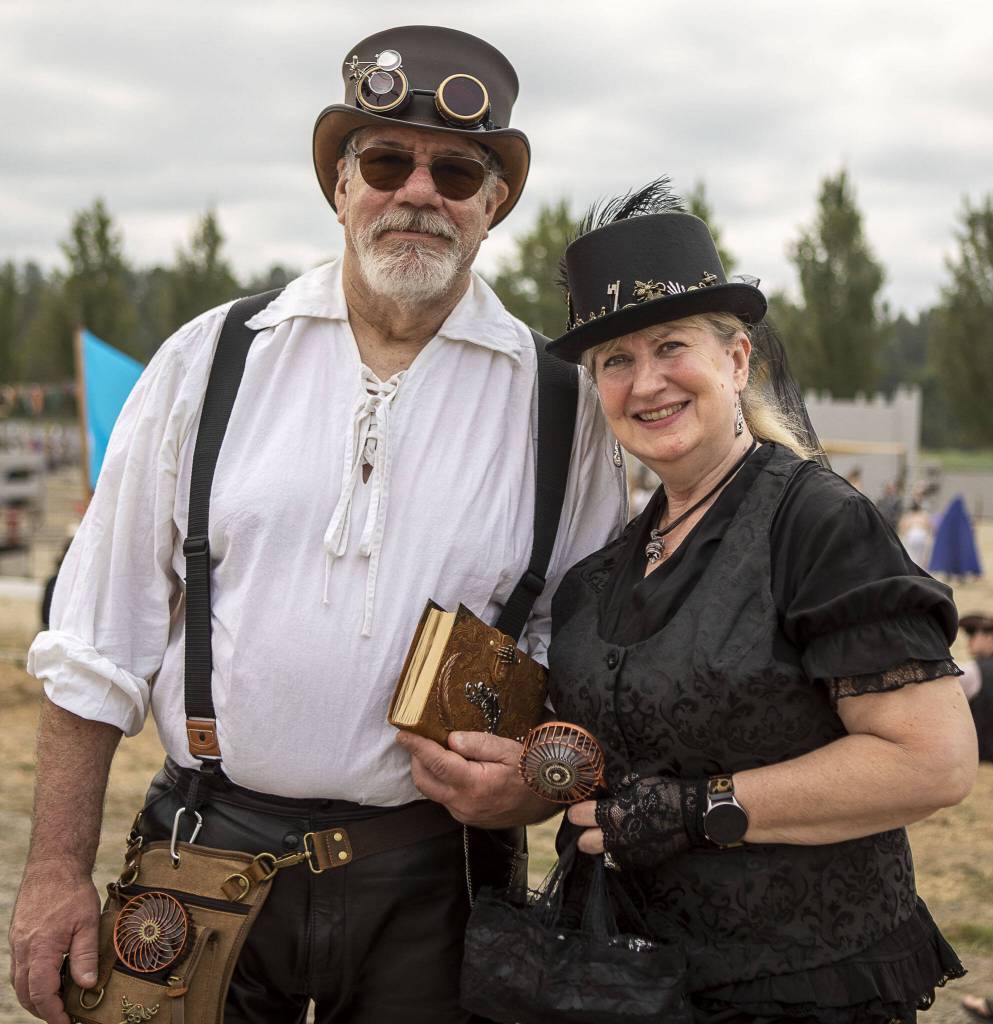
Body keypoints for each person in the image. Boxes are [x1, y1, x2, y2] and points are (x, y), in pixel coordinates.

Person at [9, 26, 624, 1024]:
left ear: (493, 204)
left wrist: (534, 785)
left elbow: (585, 655)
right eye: (385, 160)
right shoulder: (210, 361)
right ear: (340, 186)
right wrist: (52, 875)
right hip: (202, 853)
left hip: (441, 878)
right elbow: (94, 642)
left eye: (456, 170)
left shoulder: (562, 403)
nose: (419, 191)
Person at [542, 183, 978, 1024]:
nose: (645, 382)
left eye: (670, 346)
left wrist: (700, 810)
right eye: (614, 362)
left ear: (736, 361)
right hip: (636, 977)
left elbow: (933, 762)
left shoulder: (816, 522)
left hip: (797, 985)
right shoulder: (609, 565)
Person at [956, 613, 993, 762]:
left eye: (973, 634)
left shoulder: (973, 671)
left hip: (979, 757)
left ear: (991, 637)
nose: (969, 641)